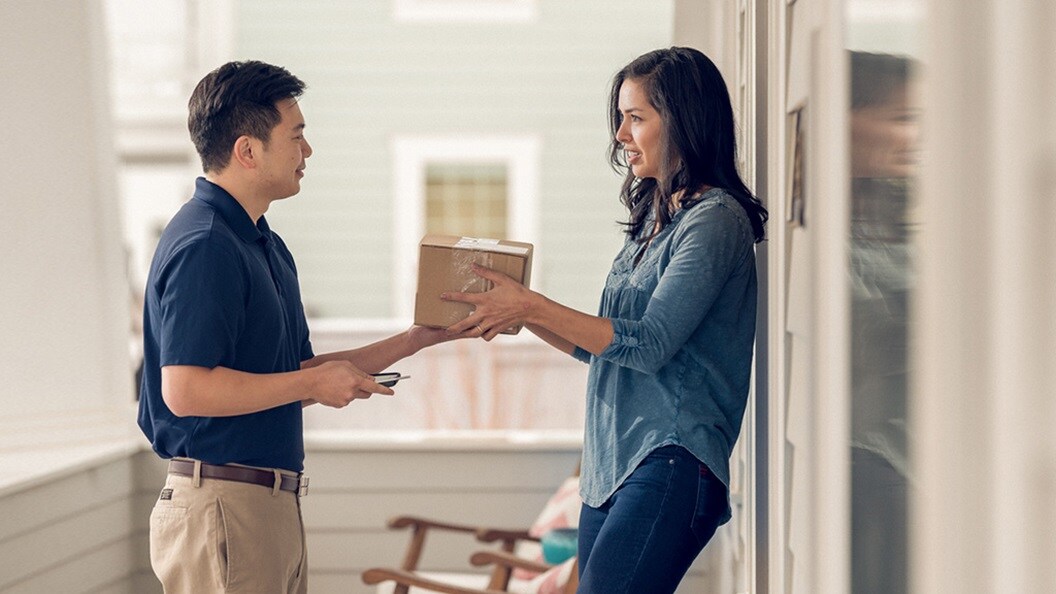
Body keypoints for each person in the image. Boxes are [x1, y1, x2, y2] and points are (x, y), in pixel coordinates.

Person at [443, 47, 767, 593]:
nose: (620, 134)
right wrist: (520, 311)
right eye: (621, 117)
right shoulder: (655, 221)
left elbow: (649, 345)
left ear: (685, 122)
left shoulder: (715, 223)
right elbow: (603, 343)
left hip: (671, 459)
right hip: (609, 468)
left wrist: (531, 305)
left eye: (636, 117)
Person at [138, 60, 465, 594]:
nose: (307, 151)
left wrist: (415, 339)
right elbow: (185, 389)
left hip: (264, 509)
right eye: (297, 135)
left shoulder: (262, 242)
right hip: (224, 509)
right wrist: (311, 384)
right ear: (248, 150)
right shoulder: (206, 246)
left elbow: (292, 374)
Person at [848, 50, 919, 594]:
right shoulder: (836, 236)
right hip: (873, 472)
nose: (914, 136)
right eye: (900, 118)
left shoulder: (899, 214)